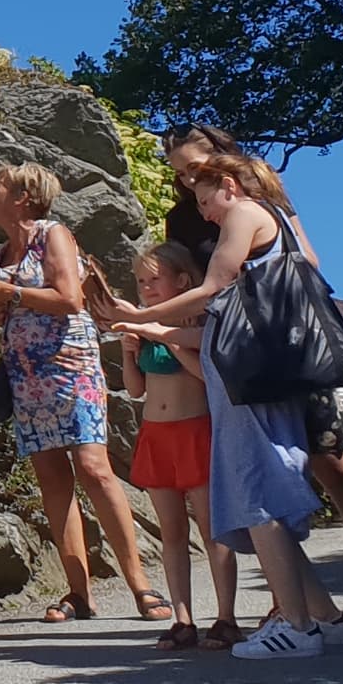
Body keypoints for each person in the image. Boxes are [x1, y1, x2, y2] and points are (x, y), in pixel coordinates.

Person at [165, 125, 343, 626]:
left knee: (333, 465)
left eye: (195, 167)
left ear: (221, 157)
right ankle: (294, 603)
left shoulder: (258, 197)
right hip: (232, 356)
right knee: (262, 472)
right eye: (180, 173)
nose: (189, 179)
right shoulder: (184, 217)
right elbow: (196, 287)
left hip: (288, 345)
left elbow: (307, 259)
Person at [113, 143, 343, 661]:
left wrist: (136, 320)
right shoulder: (279, 225)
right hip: (266, 378)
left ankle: (296, 626)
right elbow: (225, 324)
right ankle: (326, 617)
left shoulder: (244, 213)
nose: (202, 215)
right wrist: (158, 328)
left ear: (229, 185)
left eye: (204, 200)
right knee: (270, 495)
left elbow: (213, 288)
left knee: (258, 498)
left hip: (250, 387)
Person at [0, 162, 164, 623]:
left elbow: (70, 299)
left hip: (69, 366)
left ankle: (140, 586)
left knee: (93, 468)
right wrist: (4, 301)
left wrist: (9, 293)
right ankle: (78, 593)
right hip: (25, 373)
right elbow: (3, 311)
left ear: (23, 197)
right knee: (51, 477)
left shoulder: (52, 234)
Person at [121, 240, 238, 651]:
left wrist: (170, 338)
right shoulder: (144, 328)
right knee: (172, 533)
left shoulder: (194, 320)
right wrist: (129, 351)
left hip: (194, 430)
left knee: (213, 531)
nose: (147, 289)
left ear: (182, 281)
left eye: (155, 280)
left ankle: (226, 617)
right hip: (156, 433)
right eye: (140, 282)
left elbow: (206, 376)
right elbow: (135, 390)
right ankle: (182, 618)